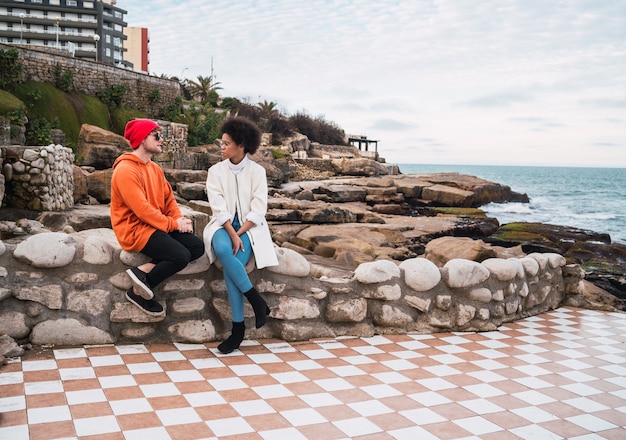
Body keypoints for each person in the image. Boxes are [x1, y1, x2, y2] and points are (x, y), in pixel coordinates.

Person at [111, 119, 205, 317]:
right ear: (142, 139)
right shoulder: (125, 170)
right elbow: (142, 210)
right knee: (180, 255)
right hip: (135, 229)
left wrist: (180, 221)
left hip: (155, 225)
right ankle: (139, 293)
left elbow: (169, 200)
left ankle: (142, 271)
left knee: (197, 247)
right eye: (157, 135)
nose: (161, 140)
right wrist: (172, 224)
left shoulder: (155, 169)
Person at [203, 116, 278, 354]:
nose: (222, 147)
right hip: (221, 226)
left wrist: (240, 232)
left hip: (250, 228)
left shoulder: (257, 172)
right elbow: (217, 206)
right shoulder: (215, 171)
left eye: (226, 143)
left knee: (231, 267)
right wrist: (231, 233)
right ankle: (257, 301)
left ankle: (237, 330)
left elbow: (259, 209)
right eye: (221, 143)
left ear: (242, 145)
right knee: (225, 250)